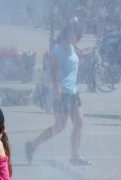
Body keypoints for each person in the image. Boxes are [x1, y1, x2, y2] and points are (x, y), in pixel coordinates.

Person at [24, 24, 90, 166]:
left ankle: (75, 156)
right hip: (61, 92)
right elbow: (53, 70)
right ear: (67, 34)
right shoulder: (58, 50)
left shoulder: (73, 48)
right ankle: (32, 145)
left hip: (73, 92)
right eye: (75, 35)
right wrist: (57, 88)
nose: (78, 38)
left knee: (79, 122)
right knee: (60, 126)